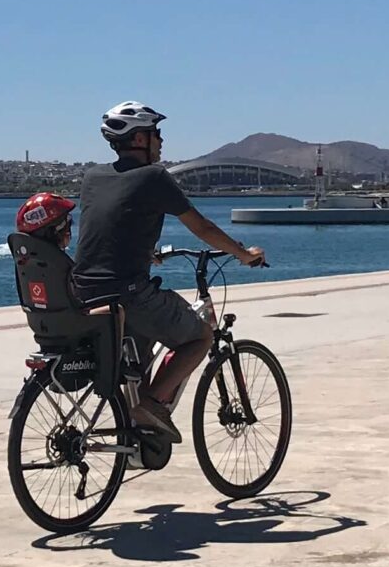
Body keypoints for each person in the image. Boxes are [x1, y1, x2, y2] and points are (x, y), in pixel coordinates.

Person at [70, 100, 266, 441]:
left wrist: (146, 254)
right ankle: (151, 402)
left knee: (136, 358)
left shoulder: (93, 177)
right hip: (127, 294)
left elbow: (109, 227)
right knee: (202, 335)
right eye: (156, 133)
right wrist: (242, 254)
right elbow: (201, 227)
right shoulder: (154, 177)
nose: (161, 141)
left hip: (86, 293)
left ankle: (135, 430)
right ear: (139, 139)